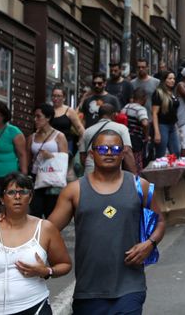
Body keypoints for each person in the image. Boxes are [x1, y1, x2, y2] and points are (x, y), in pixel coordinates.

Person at [49, 130, 165, 315]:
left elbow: (159, 222)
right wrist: (12, 221)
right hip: (88, 290)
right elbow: (49, 230)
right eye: (102, 149)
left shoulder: (140, 186)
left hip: (130, 287)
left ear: (122, 153)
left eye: (115, 148)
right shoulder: (74, 190)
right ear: (91, 154)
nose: (109, 153)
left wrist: (150, 244)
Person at [0, 172, 72, 314]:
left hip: (34, 308)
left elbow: (65, 264)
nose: (17, 197)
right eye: (11, 192)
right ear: (2, 199)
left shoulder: (45, 228)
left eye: (23, 192)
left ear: (31, 197)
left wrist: (46, 271)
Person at [26, 104, 68, 219]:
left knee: (51, 212)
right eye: (34, 116)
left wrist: (51, 156)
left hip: (52, 178)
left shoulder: (59, 136)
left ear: (48, 118)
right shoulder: (32, 137)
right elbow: (27, 159)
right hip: (36, 177)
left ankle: (50, 235)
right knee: (35, 211)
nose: (35, 119)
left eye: (39, 116)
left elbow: (64, 160)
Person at [79, 104, 135, 175]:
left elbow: (82, 157)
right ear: (114, 114)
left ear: (98, 116)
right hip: (112, 172)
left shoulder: (87, 131)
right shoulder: (122, 129)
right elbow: (127, 151)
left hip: (91, 171)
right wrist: (135, 176)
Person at [49, 84, 85, 161]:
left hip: (66, 143)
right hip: (50, 143)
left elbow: (79, 128)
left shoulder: (69, 111)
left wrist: (83, 144)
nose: (55, 98)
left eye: (58, 96)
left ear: (64, 98)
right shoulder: (48, 110)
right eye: (53, 96)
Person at [152, 71, 181, 158]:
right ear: (164, 80)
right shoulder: (158, 93)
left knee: (176, 152)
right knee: (161, 153)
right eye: (170, 78)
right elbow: (154, 113)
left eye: (174, 79)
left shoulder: (173, 93)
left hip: (172, 125)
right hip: (162, 125)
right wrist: (157, 132)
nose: (172, 81)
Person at [122, 88, 150, 172]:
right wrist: (146, 136)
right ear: (144, 98)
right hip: (136, 140)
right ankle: (137, 180)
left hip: (124, 138)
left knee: (125, 161)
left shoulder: (126, 106)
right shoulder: (141, 109)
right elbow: (145, 123)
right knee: (136, 161)